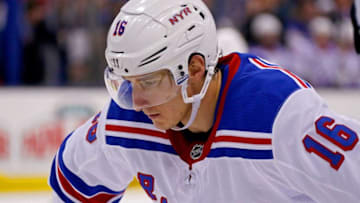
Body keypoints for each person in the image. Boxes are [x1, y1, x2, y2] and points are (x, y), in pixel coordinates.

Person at [49, 0, 360, 202]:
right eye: (126, 83)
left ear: (195, 68)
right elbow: (74, 189)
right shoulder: (125, 119)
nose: (138, 101)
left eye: (149, 81)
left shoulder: (278, 115)